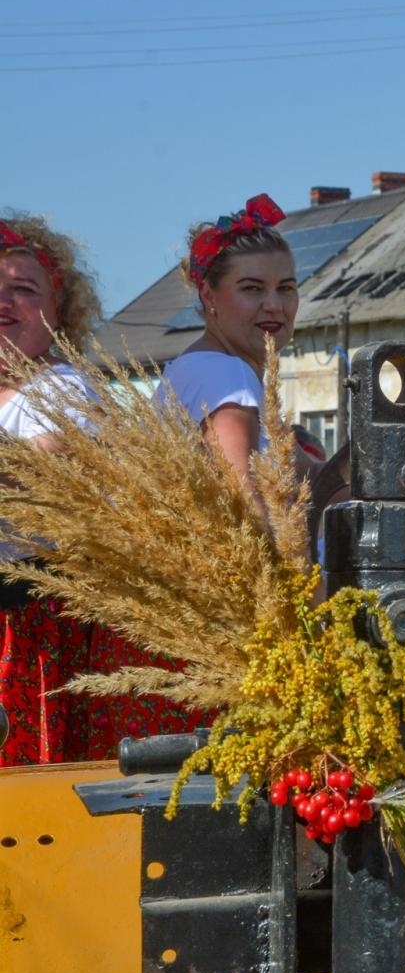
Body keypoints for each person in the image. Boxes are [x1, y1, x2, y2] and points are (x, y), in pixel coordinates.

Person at [0, 213, 198, 765]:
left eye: (24, 289)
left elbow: (40, 471)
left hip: (26, 628)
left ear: (60, 307)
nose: (5, 301)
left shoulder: (62, 389)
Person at [157, 195, 320, 504]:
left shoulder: (202, 367)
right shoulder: (228, 378)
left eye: (286, 288)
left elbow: (317, 476)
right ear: (209, 296)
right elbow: (247, 509)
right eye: (252, 289)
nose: (274, 305)